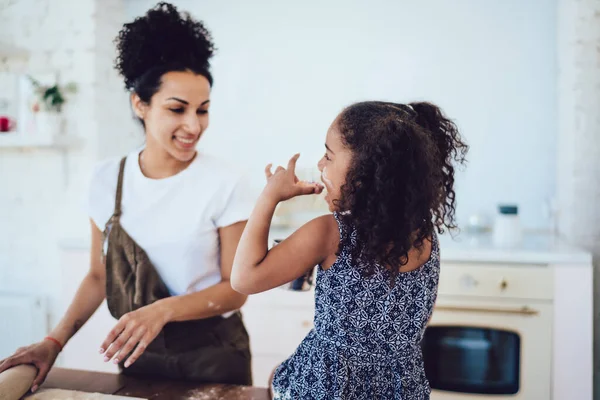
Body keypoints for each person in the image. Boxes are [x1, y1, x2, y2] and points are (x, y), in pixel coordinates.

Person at [0, 2, 254, 391]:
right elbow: (98, 276)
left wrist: (162, 311)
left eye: (202, 110)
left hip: (214, 355)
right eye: (177, 109)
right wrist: (53, 342)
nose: (193, 125)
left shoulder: (225, 181)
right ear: (140, 104)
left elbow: (234, 289)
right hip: (140, 353)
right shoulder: (105, 180)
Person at [231, 101, 468, 399]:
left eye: (329, 156)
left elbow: (244, 278)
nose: (320, 165)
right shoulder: (426, 237)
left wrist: (269, 196)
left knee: (276, 376)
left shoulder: (330, 232)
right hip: (399, 389)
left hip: (329, 389)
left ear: (366, 170)